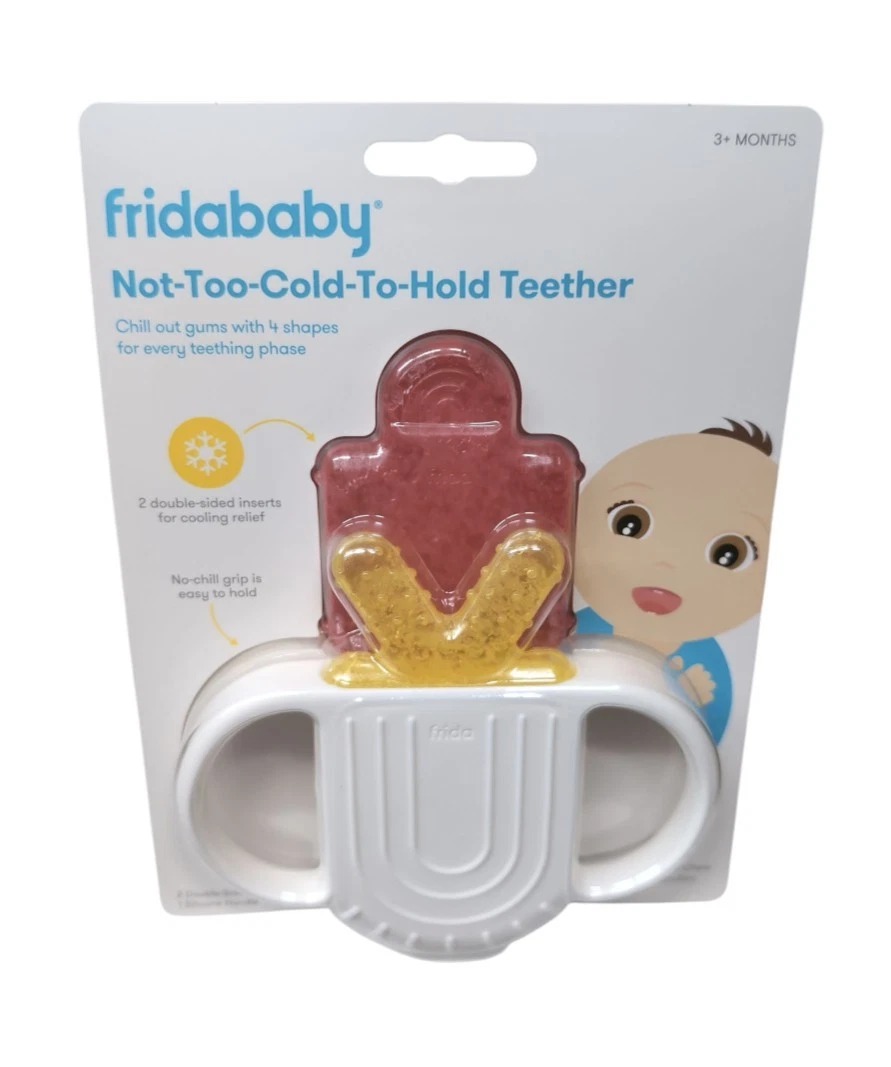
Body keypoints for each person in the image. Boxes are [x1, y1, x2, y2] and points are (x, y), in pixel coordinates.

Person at [574, 420, 777, 742]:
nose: (666, 564)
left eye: (729, 554)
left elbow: (711, 734)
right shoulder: (569, 629)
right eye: (630, 523)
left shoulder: (711, 667)